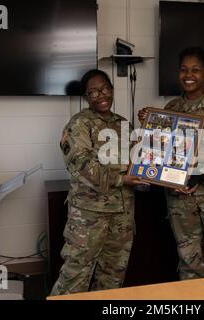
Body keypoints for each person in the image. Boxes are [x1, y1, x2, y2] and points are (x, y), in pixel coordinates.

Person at [138, 47, 204, 279]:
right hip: (181, 197)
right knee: (189, 260)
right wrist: (149, 125)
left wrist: (202, 174)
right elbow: (160, 152)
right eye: (184, 70)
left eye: (196, 70)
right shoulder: (171, 109)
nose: (189, 75)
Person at [51, 69, 148, 295]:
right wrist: (121, 179)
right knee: (75, 276)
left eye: (104, 88)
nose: (101, 95)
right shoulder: (79, 124)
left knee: (113, 275)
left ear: (112, 90)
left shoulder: (123, 124)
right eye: (93, 92)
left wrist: (148, 126)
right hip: (89, 216)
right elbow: (81, 166)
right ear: (86, 97)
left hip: (122, 215)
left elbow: (139, 157)